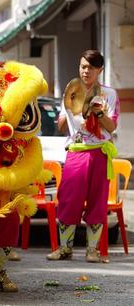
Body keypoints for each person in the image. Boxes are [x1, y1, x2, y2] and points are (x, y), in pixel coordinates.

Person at [47, 50, 119, 263]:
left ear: (100, 70)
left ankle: (92, 250)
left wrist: (96, 112)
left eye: (91, 68)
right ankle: (64, 248)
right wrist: (69, 106)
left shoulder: (110, 94)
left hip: (99, 152)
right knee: (69, 200)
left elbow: (112, 126)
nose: (86, 71)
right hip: (76, 152)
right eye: (83, 67)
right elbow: (62, 127)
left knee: (98, 201)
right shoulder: (71, 89)